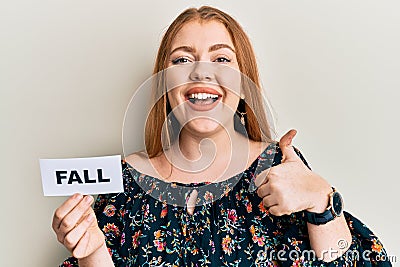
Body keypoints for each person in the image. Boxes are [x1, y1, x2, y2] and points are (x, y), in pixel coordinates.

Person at [52, 6, 391, 267]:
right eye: (183, 59)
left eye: (221, 59)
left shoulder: (279, 166)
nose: (202, 71)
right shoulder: (125, 180)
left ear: (243, 83)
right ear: (165, 84)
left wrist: (322, 203)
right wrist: (93, 251)